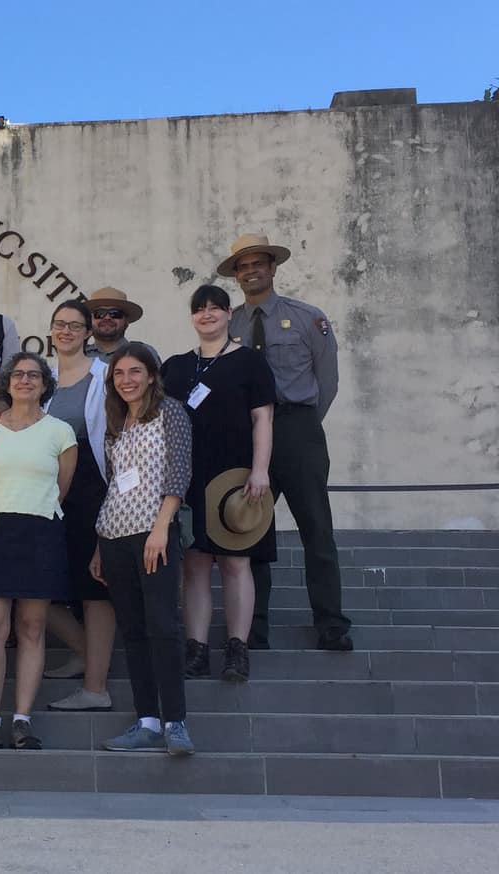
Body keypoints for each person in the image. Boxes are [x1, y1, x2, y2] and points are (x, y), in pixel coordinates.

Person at [222, 233, 353, 651]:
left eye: (259, 263)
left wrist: (304, 425)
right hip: (247, 434)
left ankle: (331, 623)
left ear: (273, 268)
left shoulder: (306, 317)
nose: (252, 271)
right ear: (237, 275)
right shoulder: (230, 324)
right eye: (244, 266)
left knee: (316, 526)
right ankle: (253, 628)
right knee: (250, 529)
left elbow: (327, 379)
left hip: (297, 429)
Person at [162, 285, 276, 681]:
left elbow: (263, 418)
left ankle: (236, 648)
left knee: (235, 562)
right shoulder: (175, 367)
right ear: (192, 317)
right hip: (187, 477)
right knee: (193, 565)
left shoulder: (250, 363)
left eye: (215, 308)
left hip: (236, 478)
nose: (207, 314)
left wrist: (260, 470)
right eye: (199, 309)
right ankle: (196, 649)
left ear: (230, 313)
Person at [0, 352, 77, 751]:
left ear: (45, 384)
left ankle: (23, 719)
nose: (25, 380)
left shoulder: (61, 432)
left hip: (40, 530)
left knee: (32, 627)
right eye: (18, 374)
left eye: (34, 375)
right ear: (7, 382)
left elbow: (61, 489)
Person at [93, 342, 195, 756]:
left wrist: (161, 528)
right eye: (119, 374)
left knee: (163, 627)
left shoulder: (170, 412)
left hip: (153, 534)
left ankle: (176, 722)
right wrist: (99, 544)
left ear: (152, 375)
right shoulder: (117, 421)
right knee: (133, 632)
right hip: (113, 535)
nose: (127, 381)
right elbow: (115, 483)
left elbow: (179, 471)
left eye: (135, 372)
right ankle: (147, 720)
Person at [37, 301, 117, 713]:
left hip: (92, 486)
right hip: (46, 488)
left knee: (93, 588)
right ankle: (89, 653)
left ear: (88, 333)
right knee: (38, 586)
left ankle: (96, 687)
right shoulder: (42, 377)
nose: (65, 331)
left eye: (74, 325)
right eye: (59, 325)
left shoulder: (104, 376)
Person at [85, 287, 160, 366]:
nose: (107, 318)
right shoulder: (76, 355)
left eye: (115, 313)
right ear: (90, 321)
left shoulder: (145, 353)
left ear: (126, 322)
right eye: (100, 314)